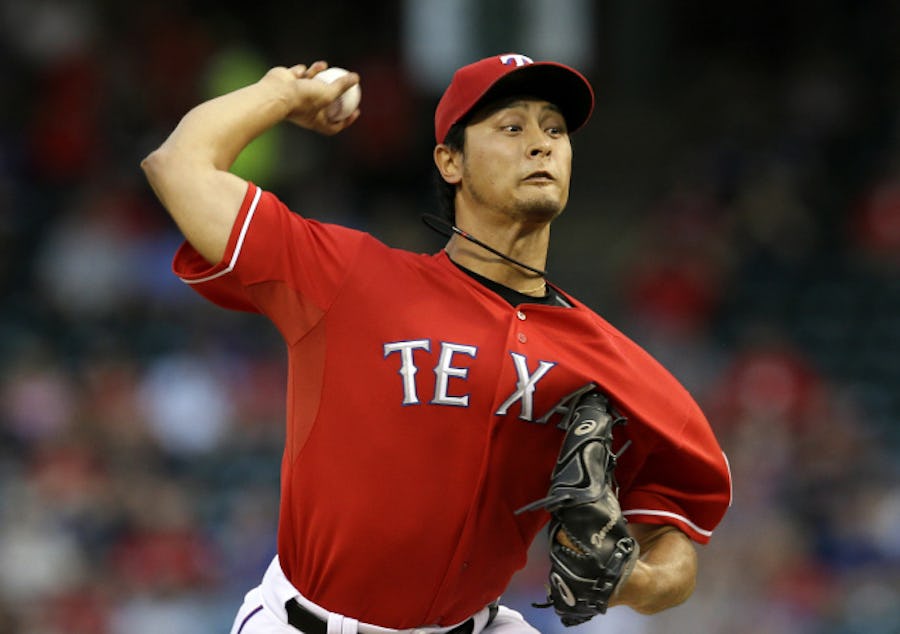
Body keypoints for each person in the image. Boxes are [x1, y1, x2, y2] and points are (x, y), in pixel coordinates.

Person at [141, 52, 732, 634]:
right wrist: (283, 93)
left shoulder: (606, 360)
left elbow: (674, 533)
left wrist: (636, 581)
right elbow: (178, 166)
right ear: (450, 161)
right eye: (512, 127)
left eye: (555, 129)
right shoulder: (349, 277)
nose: (541, 144)